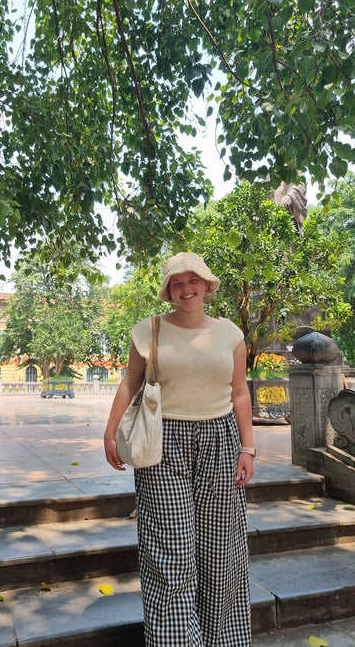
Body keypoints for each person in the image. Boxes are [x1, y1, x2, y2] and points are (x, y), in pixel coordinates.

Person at [104, 252, 254, 646]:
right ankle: (177, 641)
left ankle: (221, 638)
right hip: (162, 441)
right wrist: (110, 432)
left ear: (207, 285)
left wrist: (248, 448)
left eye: (192, 281)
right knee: (172, 551)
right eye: (176, 283)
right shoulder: (148, 330)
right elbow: (130, 384)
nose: (186, 289)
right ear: (168, 291)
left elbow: (240, 393)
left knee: (220, 550)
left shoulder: (230, 335)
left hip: (221, 441)